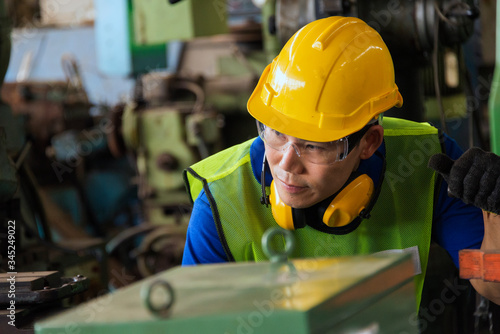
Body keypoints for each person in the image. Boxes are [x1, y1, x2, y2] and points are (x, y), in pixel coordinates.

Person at [182, 16, 500, 308]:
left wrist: (496, 215)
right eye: (276, 133)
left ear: (369, 143)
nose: (286, 164)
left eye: (314, 146)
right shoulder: (223, 203)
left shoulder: (426, 165)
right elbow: (195, 321)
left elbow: (490, 283)